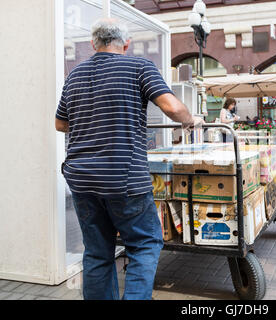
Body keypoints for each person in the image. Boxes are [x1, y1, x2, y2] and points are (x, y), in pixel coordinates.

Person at [55, 18, 203, 300]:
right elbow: (171, 107)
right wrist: (190, 120)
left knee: (98, 252)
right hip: (124, 178)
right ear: (126, 44)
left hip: (82, 179)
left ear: (92, 44)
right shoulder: (139, 67)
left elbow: (60, 124)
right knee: (145, 243)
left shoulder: (74, 75)